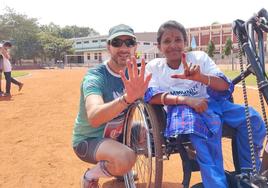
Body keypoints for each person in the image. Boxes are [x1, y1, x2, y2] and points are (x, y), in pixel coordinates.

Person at [144, 20, 266, 187]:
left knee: (252, 117)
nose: (173, 45)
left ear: (185, 43)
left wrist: (201, 77)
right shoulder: (154, 67)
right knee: (206, 130)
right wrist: (186, 100)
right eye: (167, 41)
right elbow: (151, 96)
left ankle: (248, 174)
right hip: (183, 109)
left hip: (212, 103)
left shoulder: (199, 57)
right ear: (159, 46)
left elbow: (225, 86)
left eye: (178, 40)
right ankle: (216, 184)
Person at [72, 24, 151, 188]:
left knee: (146, 132)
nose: (124, 48)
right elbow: (94, 117)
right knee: (126, 158)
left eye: (129, 42)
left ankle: (119, 170)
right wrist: (126, 98)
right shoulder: (95, 76)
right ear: (108, 47)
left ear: (135, 47)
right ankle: (91, 175)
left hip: (117, 135)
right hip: (90, 140)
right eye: (117, 42)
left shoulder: (133, 73)